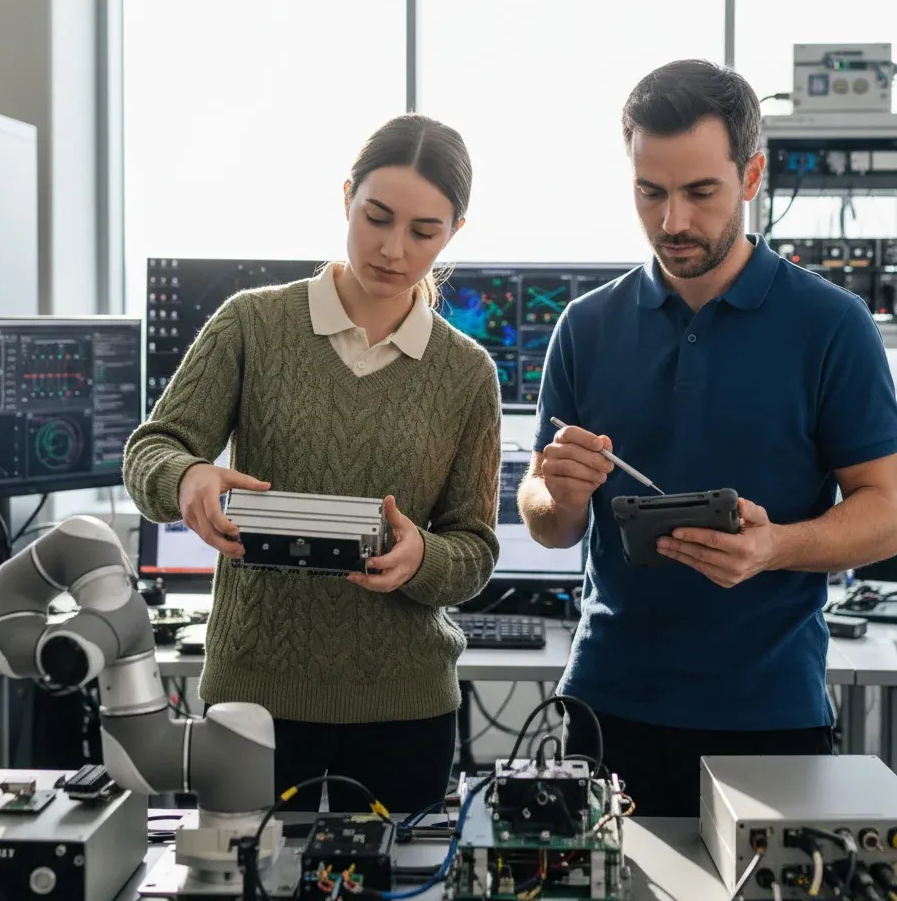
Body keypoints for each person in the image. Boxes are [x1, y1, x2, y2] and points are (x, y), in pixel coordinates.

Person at [518, 59, 897, 817]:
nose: (672, 223)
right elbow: (550, 523)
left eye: (700, 192)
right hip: (607, 706)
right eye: (650, 192)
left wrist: (775, 546)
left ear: (752, 174)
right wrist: (554, 492)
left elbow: (886, 507)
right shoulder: (586, 326)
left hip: (769, 713)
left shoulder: (830, 326)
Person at [123, 113, 501, 814]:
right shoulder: (252, 325)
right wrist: (189, 479)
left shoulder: (467, 373)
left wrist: (421, 557)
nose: (392, 249)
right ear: (346, 197)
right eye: (376, 218)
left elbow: (474, 550)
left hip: (405, 710)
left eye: (424, 232)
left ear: (454, 233)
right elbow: (150, 451)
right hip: (255, 702)